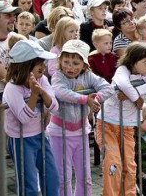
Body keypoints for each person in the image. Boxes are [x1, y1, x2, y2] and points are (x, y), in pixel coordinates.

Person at [48, 39, 113, 196]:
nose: (70, 67)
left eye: (76, 63)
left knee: (85, 178)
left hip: (81, 132)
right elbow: (60, 92)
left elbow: (108, 88)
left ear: (84, 65)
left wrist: (95, 99)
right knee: (63, 177)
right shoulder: (58, 76)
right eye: (66, 62)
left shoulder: (88, 76)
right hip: (60, 133)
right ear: (60, 61)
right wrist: (85, 99)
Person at [96, 42, 146, 196]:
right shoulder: (122, 70)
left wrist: (133, 93)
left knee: (129, 165)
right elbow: (123, 82)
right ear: (133, 61)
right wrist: (136, 97)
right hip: (108, 124)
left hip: (128, 127)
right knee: (113, 162)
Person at [3, 40, 59, 196]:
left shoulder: (42, 80)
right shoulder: (12, 88)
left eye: (43, 62)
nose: (43, 66)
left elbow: (55, 106)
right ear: (25, 65)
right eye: (38, 63)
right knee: (29, 184)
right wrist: (35, 95)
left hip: (40, 136)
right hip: (20, 140)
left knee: (51, 177)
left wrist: (43, 93)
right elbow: (24, 118)